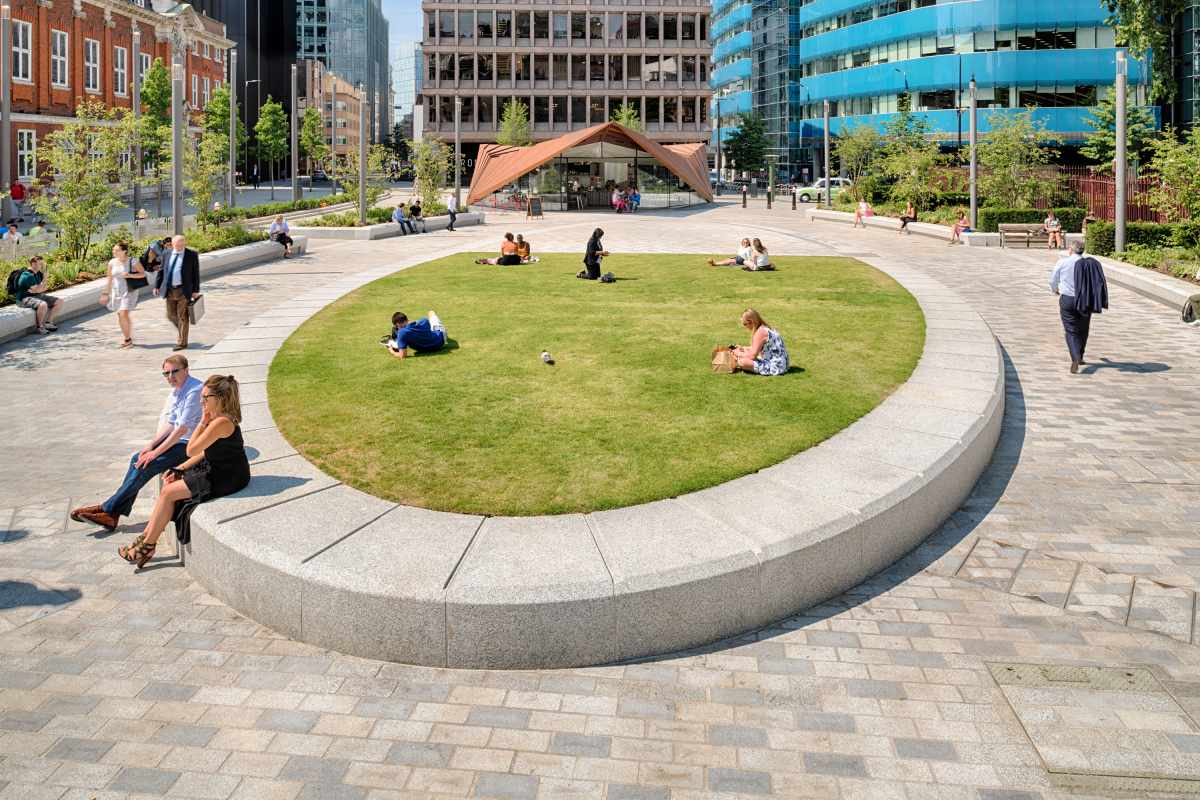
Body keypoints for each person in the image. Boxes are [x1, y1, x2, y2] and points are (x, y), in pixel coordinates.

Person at [117, 374, 250, 569]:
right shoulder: (218, 418)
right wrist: (180, 468)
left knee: (168, 492)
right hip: (218, 467)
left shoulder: (220, 422)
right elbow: (206, 451)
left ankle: (148, 545)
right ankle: (147, 537)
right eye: (201, 397)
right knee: (170, 483)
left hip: (227, 476)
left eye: (206, 398)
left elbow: (191, 450)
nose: (201, 402)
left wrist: (202, 422)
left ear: (220, 398)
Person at [70, 355, 203, 531]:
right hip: (179, 441)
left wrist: (155, 453)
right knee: (137, 458)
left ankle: (108, 509)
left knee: (146, 464)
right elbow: (172, 423)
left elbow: (181, 430)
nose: (170, 377)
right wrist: (150, 446)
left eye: (174, 372)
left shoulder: (194, 390)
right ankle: (112, 514)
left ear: (186, 370)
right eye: (166, 373)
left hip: (191, 445)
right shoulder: (178, 389)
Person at [1050, 240, 1108, 374]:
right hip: (1085, 299)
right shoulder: (1088, 264)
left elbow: (1053, 279)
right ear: (1083, 251)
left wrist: (1055, 290)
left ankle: (1075, 357)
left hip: (1068, 299)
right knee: (1083, 328)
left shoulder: (1063, 262)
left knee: (1070, 330)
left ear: (1070, 250)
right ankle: (1080, 355)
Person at [154, 234, 201, 351]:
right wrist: (157, 286)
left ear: (185, 243)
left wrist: (195, 290)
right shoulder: (166, 253)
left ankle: (182, 342)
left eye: (182, 243)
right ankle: (182, 328)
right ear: (172, 244)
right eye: (177, 244)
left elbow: (196, 274)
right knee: (170, 315)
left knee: (183, 317)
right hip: (169, 289)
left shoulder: (191, 255)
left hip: (183, 290)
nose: (179, 246)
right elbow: (161, 270)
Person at [100, 241, 147, 348]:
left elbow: (143, 274)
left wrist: (130, 275)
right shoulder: (112, 262)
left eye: (116, 250)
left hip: (129, 291)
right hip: (116, 291)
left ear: (124, 251)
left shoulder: (133, 261)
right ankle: (127, 338)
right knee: (121, 315)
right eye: (113, 250)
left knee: (123, 313)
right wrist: (105, 293)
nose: (114, 252)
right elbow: (109, 279)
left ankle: (128, 339)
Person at [12, 255, 62, 334]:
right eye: (40, 264)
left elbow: (44, 288)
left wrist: (38, 290)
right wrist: (42, 283)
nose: (42, 266)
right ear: (33, 264)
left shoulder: (38, 273)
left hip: (36, 295)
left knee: (59, 301)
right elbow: (39, 289)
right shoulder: (27, 276)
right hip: (24, 298)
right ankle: (40, 327)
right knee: (43, 305)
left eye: (42, 264)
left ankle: (48, 323)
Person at [733, 308, 790, 376]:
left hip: (776, 366)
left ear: (751, 322)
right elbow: (758, 348)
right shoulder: (764, 328)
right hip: (782, 364)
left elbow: (752, 356)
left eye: (745, 324)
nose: (745, 327)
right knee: (744, 355)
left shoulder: (760, 332)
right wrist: (743, 348)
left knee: (743, 362)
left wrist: (738, 353)